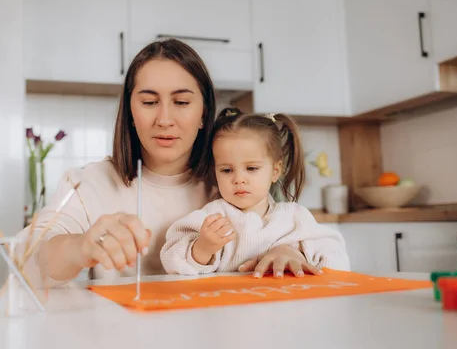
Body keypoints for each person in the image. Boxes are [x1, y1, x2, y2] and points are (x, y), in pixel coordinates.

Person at [18, 39, 325, 288]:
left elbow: (300, 241)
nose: (164, 119)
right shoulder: (89, 183)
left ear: (204, 112)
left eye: (181, 102)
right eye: (149, 102)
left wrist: (290, 250)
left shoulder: (234, 181)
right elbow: (25, 260)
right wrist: (80, 247)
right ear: (130, 112)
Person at [160, 107, 350, 277]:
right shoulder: (211, 218)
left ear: (275, 171)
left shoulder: (294, 217)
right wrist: (202, 248)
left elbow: (338, 261)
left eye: (251, 168)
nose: (238, 179)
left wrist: (292, 252)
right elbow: (170, 259)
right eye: (226, 170)